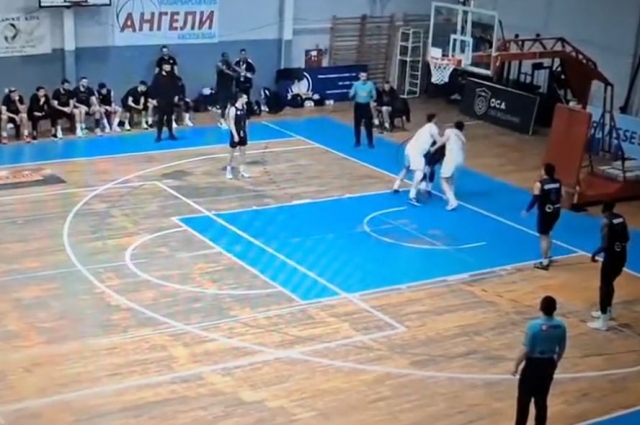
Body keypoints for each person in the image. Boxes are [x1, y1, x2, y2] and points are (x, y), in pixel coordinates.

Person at [513, 295, 566, 425]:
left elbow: (527, 350)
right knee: (541, 401)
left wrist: (516, 365)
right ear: (555, 309)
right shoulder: (561, 326)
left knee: (524, 401)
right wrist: (555, 363)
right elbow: (561, 349)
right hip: (548, 365)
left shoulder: (533, 326)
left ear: (540, 308)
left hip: (532, 366)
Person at [587, 202, 629, 331]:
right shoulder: (621, 218)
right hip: (621, 256)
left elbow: (605, 244)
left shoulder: (606, 222)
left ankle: (603, 321)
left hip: (611, 258)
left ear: (603, 209)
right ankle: (607, 311)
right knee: (609, 283)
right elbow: (626, 238)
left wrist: (595, 253)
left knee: (604, 286)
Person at [392, 113, 441, 203]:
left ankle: (396, 185)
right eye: (437, 119)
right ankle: (412, 195)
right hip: (417, 152)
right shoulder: (433, 127)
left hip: (409, 148)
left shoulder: (422, 129)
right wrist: (435, 147)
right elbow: (439, 141)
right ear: (434, 119)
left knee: (406, 168)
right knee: (419, 173)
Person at [522, 163, 563, 270]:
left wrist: (527, 210)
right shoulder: (558, 182)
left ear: (544, 171)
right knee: (548, 234)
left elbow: (535, 199)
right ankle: (548, 257)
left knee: (544, 236)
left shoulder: (539, 184)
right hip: (556, 211)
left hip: (545, 212)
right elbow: (561, 195)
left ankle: (545, 262)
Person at [429, 121, 466, 210]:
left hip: (451, 159)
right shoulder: (461, 136)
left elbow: (442, 141)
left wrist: (433, 148)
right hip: (460, 159)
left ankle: (452, 201)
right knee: (450, 176)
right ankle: (450, 193)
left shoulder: (449, 131)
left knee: (443, 180)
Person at [149, 62, 181, 142]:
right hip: (161, 100)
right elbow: (153, 88)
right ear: (163, 67)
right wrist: (153, 99)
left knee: (169, 118)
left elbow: (176, 86)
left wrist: (176, 95)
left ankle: (171, 134)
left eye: (169, 66)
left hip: (170, 100)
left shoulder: (172, 76)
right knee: (160, 118)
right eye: (167, 66)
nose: (169, 67)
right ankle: (159, 135)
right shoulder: (157, 77)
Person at [226, 91, 250, 179]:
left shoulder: (244, 107)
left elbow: (246, 120)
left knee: (243, 152)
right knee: (231, 153)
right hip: (235, 132)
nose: (246, 99)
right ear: (240, 98)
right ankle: (228, 170)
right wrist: (235, 134)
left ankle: (242, 170)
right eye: (245, 98)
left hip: (242, 132)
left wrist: (245, 130)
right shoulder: (233, 109)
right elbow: (231, 123)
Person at [349, 72, 376, 148]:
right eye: (362, 76)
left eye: (365, 76)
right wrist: (352, 94)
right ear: (359, 76)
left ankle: (370, 142)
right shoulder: (356, 84)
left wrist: (370, 98)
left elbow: (374, 95)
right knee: (357, 125)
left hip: (366, 106)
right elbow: (351, 94)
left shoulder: (370, 84)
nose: (364, 77)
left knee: (368, 125)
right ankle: (357, 142)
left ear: (367, 77)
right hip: (358, 106)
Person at [215, 52, 236, 128]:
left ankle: (228, 119)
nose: (226, 58)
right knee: (223, 105)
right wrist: (230, 73)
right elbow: (220, 68)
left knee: (231, 104)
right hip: (222, 88)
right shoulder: (219, 65)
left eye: (227, 56)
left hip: (229, 87)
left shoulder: (230, 65)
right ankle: (222, 120)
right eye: (225, 57)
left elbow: (235, 73)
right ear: (222, 57)